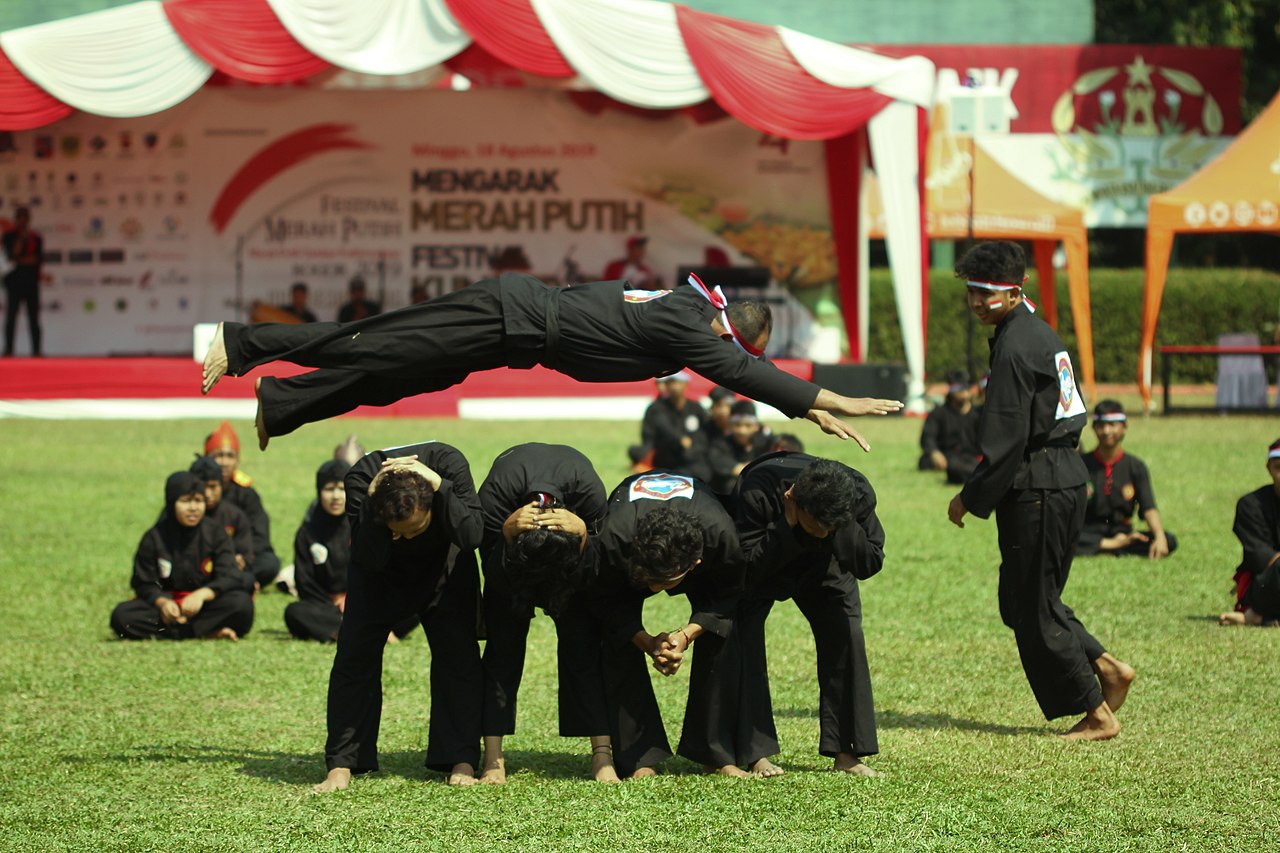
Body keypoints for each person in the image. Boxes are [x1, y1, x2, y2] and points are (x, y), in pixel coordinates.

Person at [202, 273, 901, 450]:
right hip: (502, 317)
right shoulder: (691, 326)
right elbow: (746, 376)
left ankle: (283, 404)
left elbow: (743, 371)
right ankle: (240, 342)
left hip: (505, 336)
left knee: (395, 377)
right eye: (725, 353)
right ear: (728, 334)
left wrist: (820, 405)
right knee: (370, 343)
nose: (719, 363)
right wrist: (827, 403)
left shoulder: (688, 317)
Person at [945, 241, 1134, 742]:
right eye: (972, 293)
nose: (977, 303)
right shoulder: (1035, 329)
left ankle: (1096, 713)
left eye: (987, 294)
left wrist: (970, 495)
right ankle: (1108, 668)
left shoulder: (1013, 346)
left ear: (1013, 292)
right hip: (1062, 476)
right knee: (1025, 599)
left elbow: (1005, 440)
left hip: (1039, 485)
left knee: (1032, 606)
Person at [313, 442, 485, 793]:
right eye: (398, 531)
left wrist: (442, 486)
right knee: (353, 659)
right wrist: (372, 510)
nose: (406, 537)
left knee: (459, 658)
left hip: (444, 570)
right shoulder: (362, 477)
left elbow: (472, 535)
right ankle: (343, 762)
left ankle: (461, 757)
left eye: (415, 529)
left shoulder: (449, 463)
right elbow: (366, 554)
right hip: (377, 574)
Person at [699, 453, 884, 778]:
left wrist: (840, 525)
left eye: (831, 528)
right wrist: (787, 526)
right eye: (818, 526)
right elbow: (748, 568)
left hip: (826, 566)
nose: (823, 533)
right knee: (742, 636)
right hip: (769, 553)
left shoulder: (857, 495)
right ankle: (754, 752)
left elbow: (869, 563)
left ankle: (847, 752)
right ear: (794, 500)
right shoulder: (758, 490)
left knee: (847, 634)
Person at [582, 471, 743, 778]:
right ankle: (639, 757)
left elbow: (729, 595)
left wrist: (687, 635)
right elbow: (604, 601)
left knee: (725, 633)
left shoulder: (721, 535)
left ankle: (717, 752)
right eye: (648, 581)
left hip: (699, 532)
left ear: (695, 565)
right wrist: (646, 641)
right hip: (630, 534)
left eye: (664, 581)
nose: (655, 588)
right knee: (616, 638)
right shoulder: (613, 538)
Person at [475, 443, 613, 783]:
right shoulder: (494, 497)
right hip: (514, 564)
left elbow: (599, 564)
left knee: (583, 648)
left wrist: (581, 534)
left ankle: (603, 755)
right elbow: (489, 568)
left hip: (568, 564)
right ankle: (493, 759)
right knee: (502, 652)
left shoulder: (588, 491)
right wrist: (507, 532)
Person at [110, 471, 255, 640]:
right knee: (122, 616)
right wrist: (163, 603)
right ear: (172, 504)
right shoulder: (155, 537)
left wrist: (201, 595)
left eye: (198, 501)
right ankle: (204, 632)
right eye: (185, 501)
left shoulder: (215, 533)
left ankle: (178, 632)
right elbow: (144, 582)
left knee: (241, 604)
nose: (193, 508)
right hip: (168, 607)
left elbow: (229, 576)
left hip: (204, 605)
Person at [1077, 400, 1176, 559]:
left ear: (1124, 427)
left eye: (1112, 424)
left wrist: (1159, 537)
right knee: (1061, 537)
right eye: (1101, 425)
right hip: (1088, 531)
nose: (1107, 430)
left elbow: (1148, 507)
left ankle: (1108, 546)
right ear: (1094, 428)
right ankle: (1113, 546)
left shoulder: (1135, 466)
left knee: (1169, 540)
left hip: (1121, 532)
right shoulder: (1081, 464)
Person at [203, 421, 281, 590]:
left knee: (270, 563)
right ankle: (241, 581)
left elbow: (260, 536)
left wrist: (242, 557)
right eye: (218, 455)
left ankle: (233, 579)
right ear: (206, 458)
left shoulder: (247, 494)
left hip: (241, 555)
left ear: (237, 460)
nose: (223, 462)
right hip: (204, 555)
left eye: (230, 456)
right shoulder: (194, 491)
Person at [284, 460, 352, 642]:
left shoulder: (362, 525)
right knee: (295, 612)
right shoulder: (308, 532)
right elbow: (304, 583)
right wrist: (333, 605)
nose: (336, 496)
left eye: (342, 489)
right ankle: (355, 631)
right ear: (319, 492)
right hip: (326, 607)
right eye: (329, 489)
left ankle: (351, 628)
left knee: (411, 606)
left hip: (362, 602)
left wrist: (350, 601)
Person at [1220, 437, 1280, 627]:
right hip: (1266, 587)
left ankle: (1259, 619)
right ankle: (1258, 615)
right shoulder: (1251, 505)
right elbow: (1266, 561)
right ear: (1269, 467)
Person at [189, 454, 256, 592]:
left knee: (246, 580)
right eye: (202, 487)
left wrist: (241, 560)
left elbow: (247, 552)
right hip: (187, 574)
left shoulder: (234, 515)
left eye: (213, 487)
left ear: (222, 485)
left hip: (222, 575)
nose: (207, 494)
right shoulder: (183, 514)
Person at [627, 371, 711, 481]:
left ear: (686, 385)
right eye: (671, 383)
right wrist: (680, 439)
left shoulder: (695, 408)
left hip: (693, 454)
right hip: (666, 454)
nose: (675, 387)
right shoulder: (657, 408)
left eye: (678, 383)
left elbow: (707, 429)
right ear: (666, 386)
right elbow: (661, 429)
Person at [918, 370, 981, 484]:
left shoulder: (979, 414)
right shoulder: (939, 413)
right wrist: (934, 453)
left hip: (971, 456)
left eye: (965, 388)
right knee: (926, 461)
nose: (963, 392)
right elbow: (928, 437)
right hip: (946, 455)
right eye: (959, 388)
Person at [3, 206, 43, 356]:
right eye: (20, 217)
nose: (23, 220)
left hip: (31, 283)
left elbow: (36, 259)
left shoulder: (36, 237)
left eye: (25, 217)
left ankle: (36, 351)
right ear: (16, 219)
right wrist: (20, 239)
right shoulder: (9, 236)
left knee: (34, 319)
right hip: (14, 283)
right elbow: (12, 256)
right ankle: (8, 350)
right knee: (11, 318)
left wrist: (20, 260)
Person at [708, 400, 772, 495]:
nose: (742, 431)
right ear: (730, 425)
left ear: (756, 426)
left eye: (747, 425)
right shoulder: (720, 444)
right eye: (737, 425)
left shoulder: (765, 443)